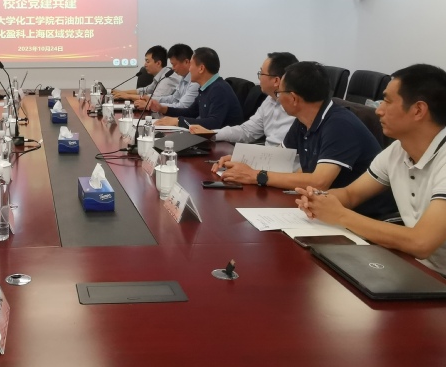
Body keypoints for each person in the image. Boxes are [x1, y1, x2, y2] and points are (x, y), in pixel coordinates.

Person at [296, 64, 446, 274]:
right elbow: (351, 194)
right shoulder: (397, 150)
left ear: (418, 110)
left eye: (387, 101)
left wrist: (340, 215)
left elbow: (421, 242)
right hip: (415, 267)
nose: (378, 110)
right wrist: (319, 200)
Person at [215, 61, 394, 219]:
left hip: (364, 216)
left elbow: (319, 182)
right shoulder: (303, 120)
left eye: (279, 93)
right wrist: (242, 160)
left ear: (293, 98)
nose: (278, 98)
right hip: (323, 207)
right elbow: (278, 158)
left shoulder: (340, 124)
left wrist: (256, 175)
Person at [189, 52, 297, 146]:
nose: (259, 78)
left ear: (276, 81)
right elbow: (246, 131)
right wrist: (212, 134)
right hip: (266, 157)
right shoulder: (269, 100)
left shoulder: (298, 108)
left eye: (261, 73)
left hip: (284, 161)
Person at [152, 47, 243, 129]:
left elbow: (213, 123)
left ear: (201, 68)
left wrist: (178, 121)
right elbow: (191, 112)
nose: (189, 69)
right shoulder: (206, 88)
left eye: (191, 65)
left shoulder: (219, 89)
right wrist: (163, 109)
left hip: (225, 141)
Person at [135, 43, 199, 109]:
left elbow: (182, 106)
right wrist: (151, 100)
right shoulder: (183, 79)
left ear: (186, 62)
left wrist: (152, 105)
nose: (172, 68)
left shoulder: (195, 82)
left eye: (174, 65)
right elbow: (173, 99)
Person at [113, 45, 179, 102]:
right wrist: (121, 92)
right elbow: (145, 91)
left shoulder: (168, 78)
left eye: (147, 61)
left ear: (158, 63)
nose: (145, 65)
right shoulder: (160, 76)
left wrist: (128, 96)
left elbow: (154, 98)